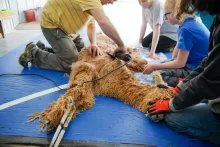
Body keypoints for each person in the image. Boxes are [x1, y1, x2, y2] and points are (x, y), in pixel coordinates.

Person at [147, 0, 220, 145]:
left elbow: (208, 81)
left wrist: (171, 104)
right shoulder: (216, 20)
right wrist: (179, 88)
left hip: (212, 87)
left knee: (172, 118)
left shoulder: (187, 28)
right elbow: (207, 63)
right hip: (211, 84)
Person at [18, 0, 127, 72]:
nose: (112, 2)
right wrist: (121, 44)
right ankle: (33, 53)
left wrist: (93, 43)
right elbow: (103, 22)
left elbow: (91, 25)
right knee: (71, 62)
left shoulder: (94, 4)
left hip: (66, 28)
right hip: (53, 25)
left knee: (81, 52)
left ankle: (44, 49)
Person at [143, 0, 209, 87]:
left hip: (197, 68)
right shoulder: (187, 23)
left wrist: (154, 66)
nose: (165, 18)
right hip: (194, 62)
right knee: (162, 64)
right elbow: (175, 54)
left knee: (159, 75)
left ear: (176, 11)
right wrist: (168, 62)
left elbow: (180, 63)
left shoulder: (186, 30)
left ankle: (186, 82)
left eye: (166, 14)